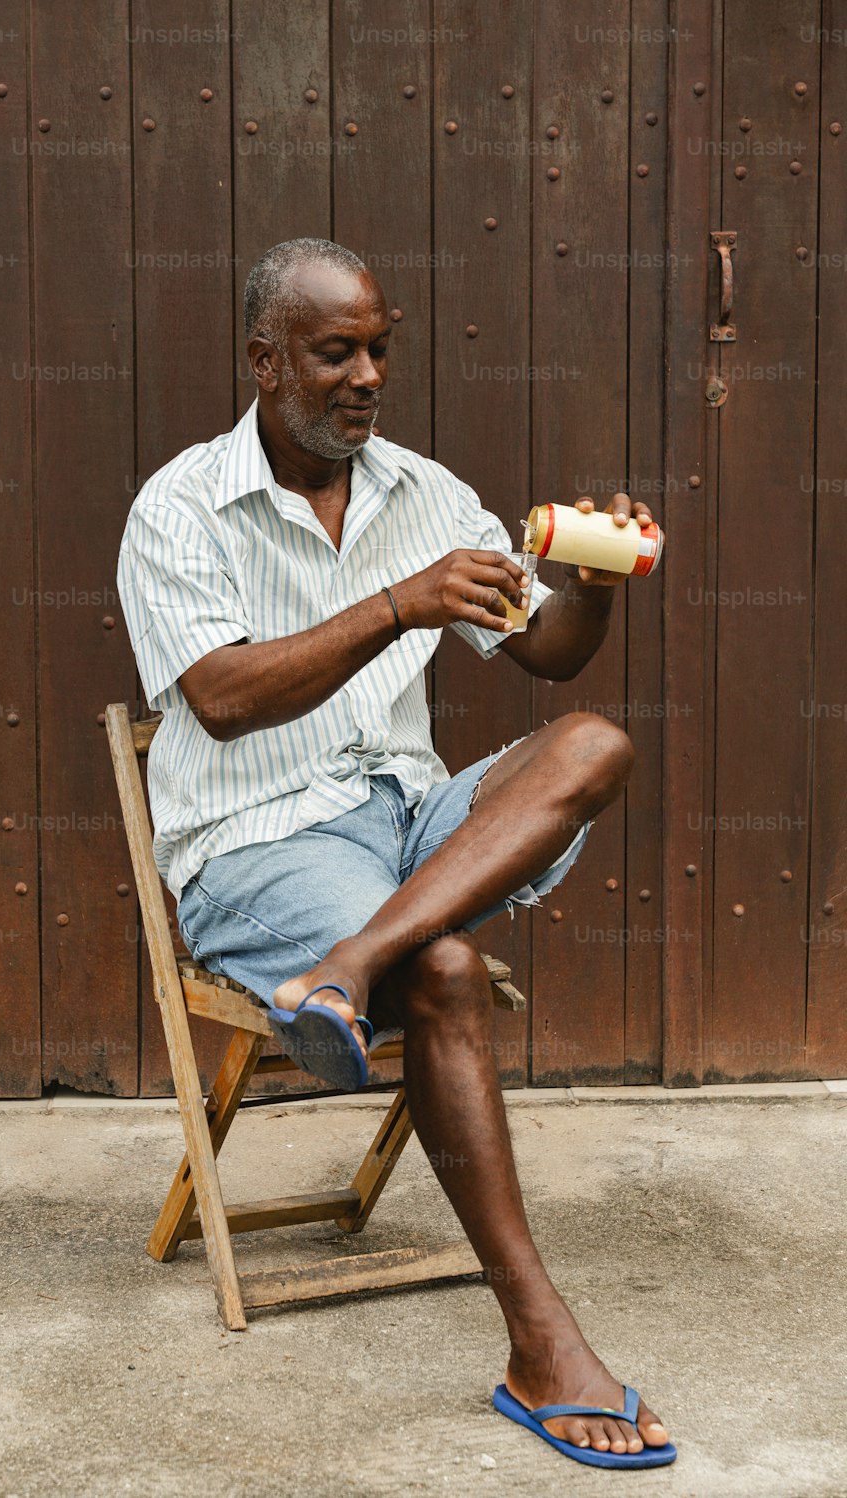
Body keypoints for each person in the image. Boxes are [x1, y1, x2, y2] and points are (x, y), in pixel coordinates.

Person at [117, 238, 675, 1470]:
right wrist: (396, 606)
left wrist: (596, 575)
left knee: (589, 743)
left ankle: (349, 962)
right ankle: (543, 1340)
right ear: (266, 361)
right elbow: (217, 697)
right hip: (257, 841)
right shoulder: (179, 508)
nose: (368, 375)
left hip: (404, 828)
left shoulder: (420, 490)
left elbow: (550, 656)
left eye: (380, 348)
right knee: (451, 976)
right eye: (336, 353)